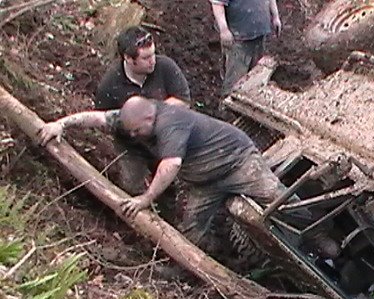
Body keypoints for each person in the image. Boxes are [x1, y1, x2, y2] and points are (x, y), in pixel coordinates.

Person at [38, 97, 339, 260]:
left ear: (150, 118)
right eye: (129, 132)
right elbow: (100, 118)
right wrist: (60, 124)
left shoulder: (171, 123)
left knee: (280, 199)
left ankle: (319, 236)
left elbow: (169, 166)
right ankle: (225, 261)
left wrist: (145, 199)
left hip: (237, 162)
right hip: (204, 181)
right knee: (192, 228)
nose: (132, 137)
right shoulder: (134, 119)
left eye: (136, 132)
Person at [95, 25, 191, 196]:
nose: (152, 61)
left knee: (168, 185)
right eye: (146, 58)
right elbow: (105, 120)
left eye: (153, 54)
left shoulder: (165, 67)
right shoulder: (110, 85)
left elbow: (183, 101)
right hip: (131, 145)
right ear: (128, 59)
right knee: (131, 185)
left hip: (162, 137)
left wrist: (152, 112)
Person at [209, 0, 282, 97]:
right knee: (235, 79)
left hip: (259, 33)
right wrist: (224, 30)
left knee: (256, 74)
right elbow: (217, 3)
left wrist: (275, 16)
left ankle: (249, 100)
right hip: (239, 38)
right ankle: (228, 105)